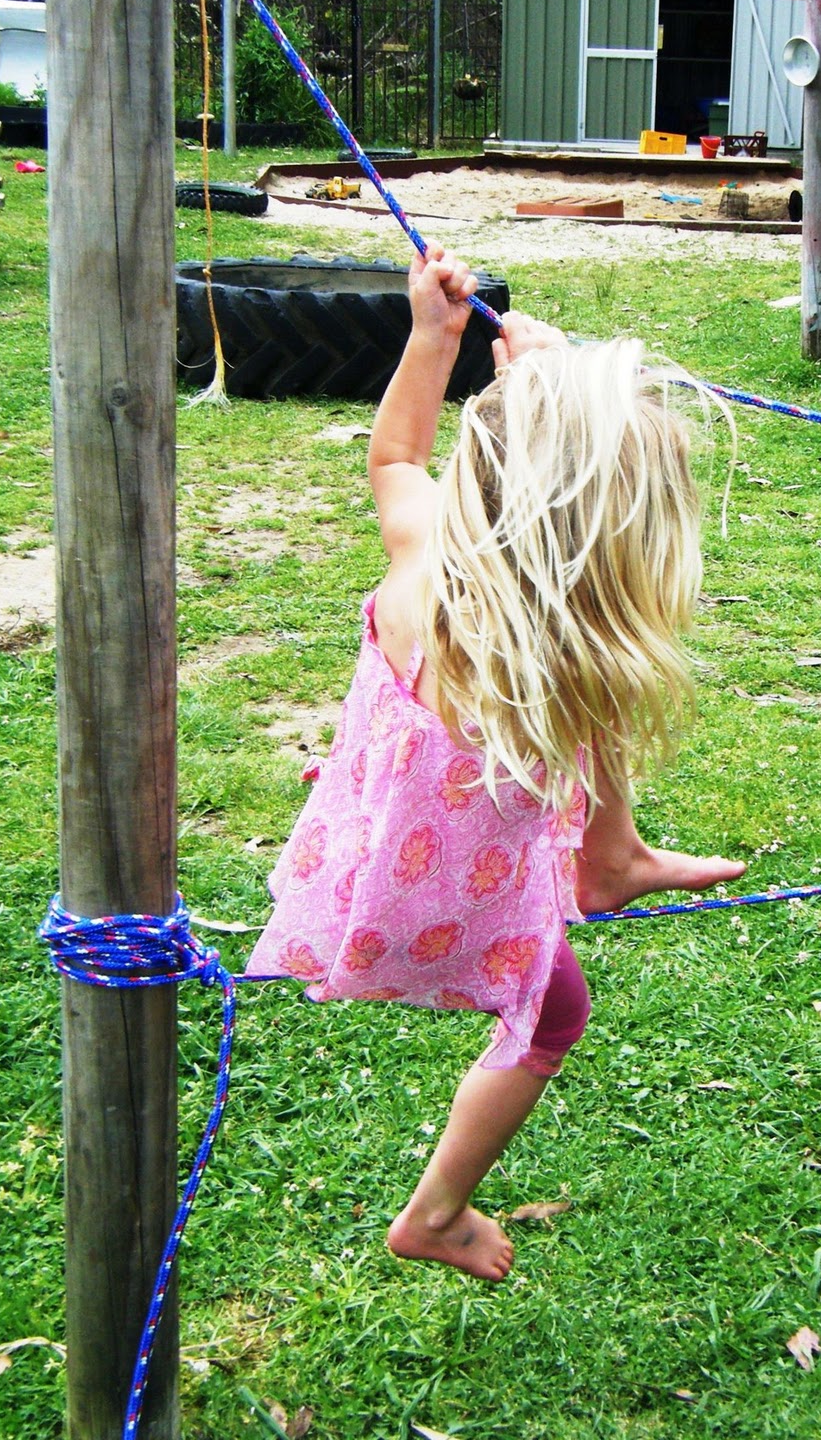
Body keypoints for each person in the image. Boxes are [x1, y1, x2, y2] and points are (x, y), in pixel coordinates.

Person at [247, 246, 744, 1282]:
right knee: (557, 1016)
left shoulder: (422, 556)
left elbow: (395, 457)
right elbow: (563, 556)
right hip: (464, 907)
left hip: (360, 871)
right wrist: (541, 390)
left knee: (586, 712)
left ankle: (617, 857)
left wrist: (436, 343)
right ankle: (436, 1212)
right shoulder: (570, 658)